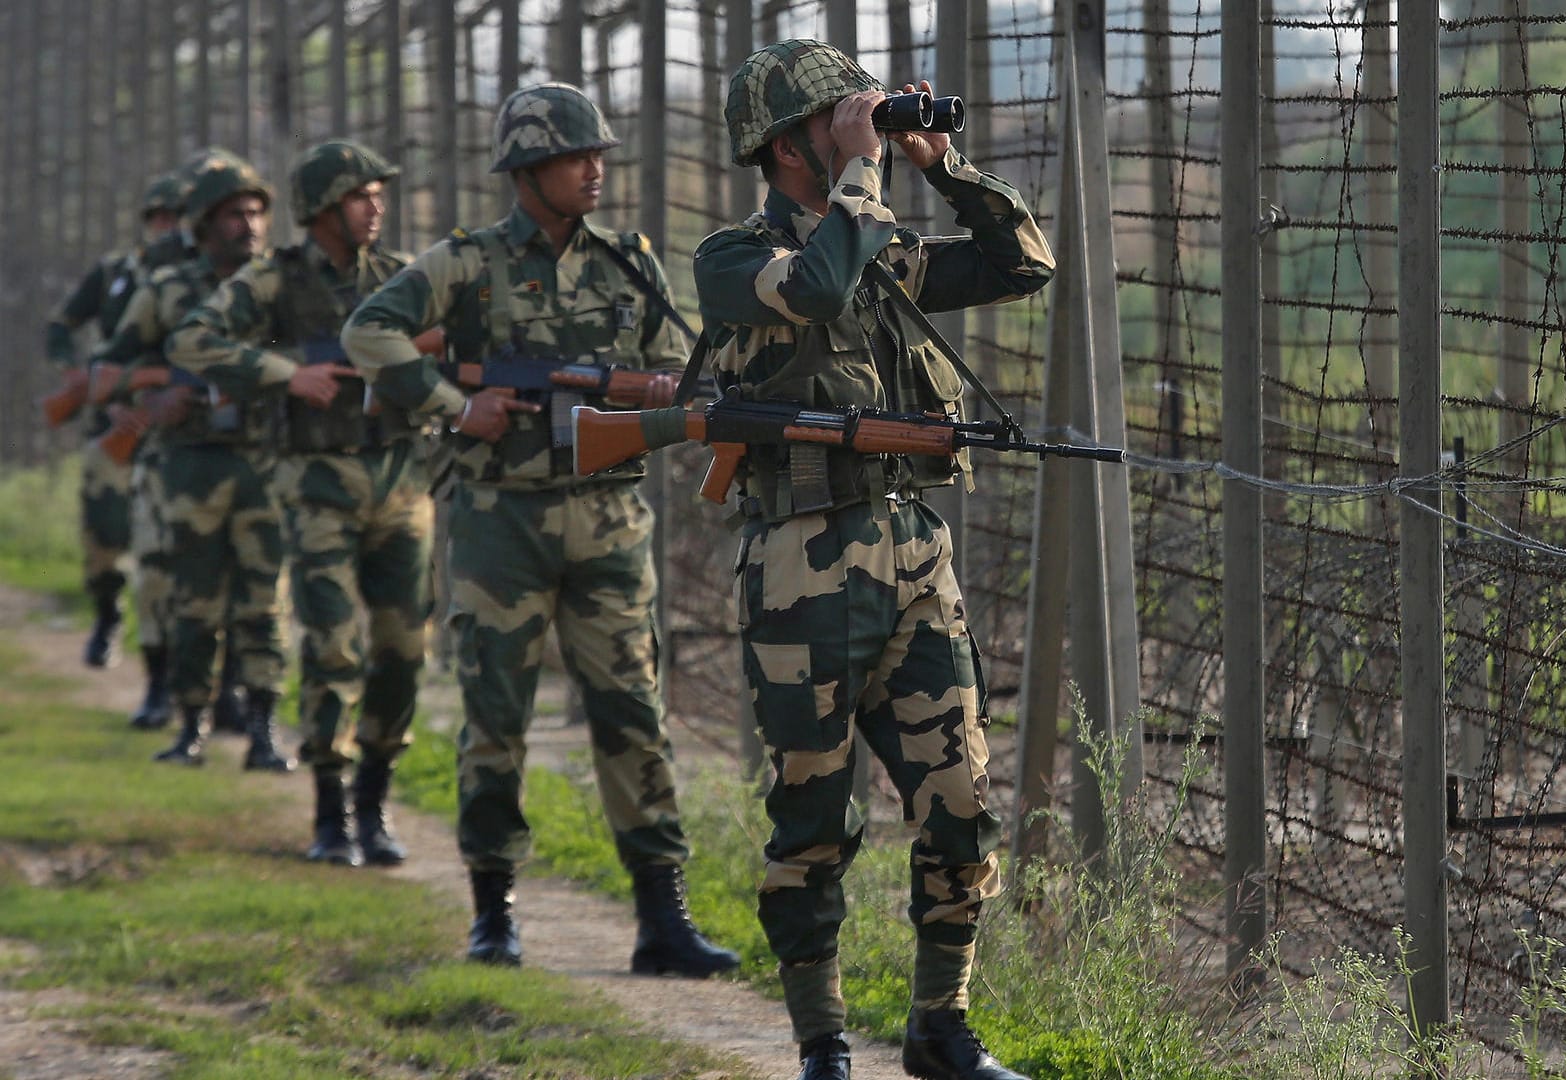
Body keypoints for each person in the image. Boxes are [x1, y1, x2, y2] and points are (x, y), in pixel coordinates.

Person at [697, 39, 1053, 1080]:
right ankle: (820, 1040)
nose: (861, 132)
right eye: (837, 119)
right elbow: (812, 291)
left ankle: (941, 1025)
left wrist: (942, 167)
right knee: (813, 815)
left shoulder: (881, 247)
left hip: (910, 557)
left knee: (960, 797)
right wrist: (863, 171)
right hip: (802, 566)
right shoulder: (733, 259)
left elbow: (1021, 264)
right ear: (785, 145)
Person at [341, 82, 738, 977]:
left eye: (599, 154)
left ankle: (661, 919)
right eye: (576, 156)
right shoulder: (467, 263)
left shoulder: (630, 261)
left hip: (607, 521)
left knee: (633, 714)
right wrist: (453, 406)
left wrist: (659, 397)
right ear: (528, 171)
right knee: (495, 718)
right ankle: (493, 913)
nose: (596, 169)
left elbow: (671, 368)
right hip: (498, 523)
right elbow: (371, 332)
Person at [170, 141, 429, 866]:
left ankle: (374, 804)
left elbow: (464, 344)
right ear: (322, 210)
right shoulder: (274, 282)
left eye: (379, 195)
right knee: (330, 643)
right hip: (315, 484)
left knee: (403, 650)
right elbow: (194, 341)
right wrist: (287, 374)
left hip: (400, 480)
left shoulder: (403, 277)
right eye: (360, 196)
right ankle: (329, 813)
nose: (375, 207)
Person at [96, 149, 292, 771]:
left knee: (264, 603)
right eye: (235, 213)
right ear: (205, 222)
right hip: (189, 465)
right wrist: (158, 393)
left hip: (263, 462)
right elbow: (109, 371)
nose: (251, 225)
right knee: (193, 605)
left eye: (258, 212)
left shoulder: (283, 287)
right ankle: (190, 726)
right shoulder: (167, 289)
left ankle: (263, 730)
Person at [46, 173, 191, 680]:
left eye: (177, 217)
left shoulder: (196, 278)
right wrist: (77, 379)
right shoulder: (114, 272)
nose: (168, 226)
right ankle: (108, 617)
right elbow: (61, 325)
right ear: (148, 220)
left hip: (170, 419)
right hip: (112, 421)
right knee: (104, 531)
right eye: (161, 217)